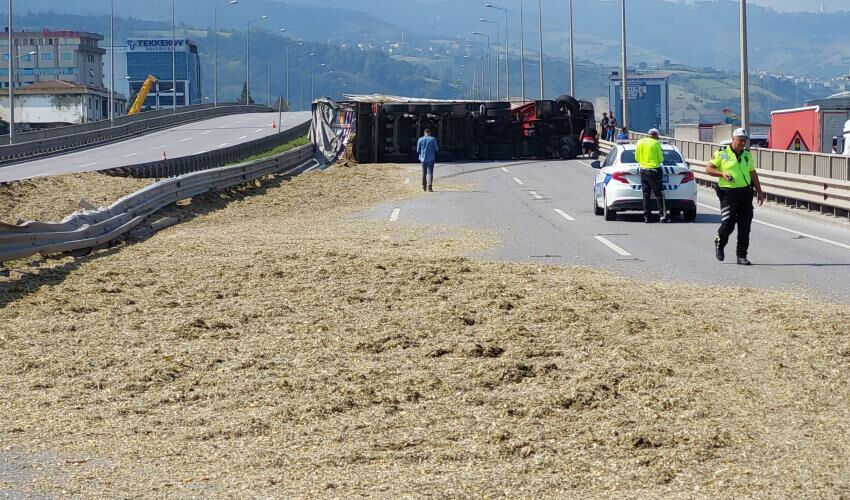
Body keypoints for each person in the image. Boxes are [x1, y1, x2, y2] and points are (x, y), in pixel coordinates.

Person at [706, 128, 765, 265]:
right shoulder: (722, 153)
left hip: (745, 193)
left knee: (745, 226)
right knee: (728, 224)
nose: (743, 143)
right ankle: (719, 243)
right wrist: (722, 174)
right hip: (728, 194)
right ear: (733, 139)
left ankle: (741, 255)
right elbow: (708, 169)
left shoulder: (747, 155)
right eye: (740, 140)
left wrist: (759, 191)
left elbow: (752, 172)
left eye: (745, 141)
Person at [635, 128, 669, 223]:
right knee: (659, 194)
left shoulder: (640, 142)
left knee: (646, 195)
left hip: (643, 170)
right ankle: (662, 216)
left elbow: (637, 157)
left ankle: (647, 217)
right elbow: (660, 159)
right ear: (656, 136)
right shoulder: (656, 143)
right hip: (654, 170)